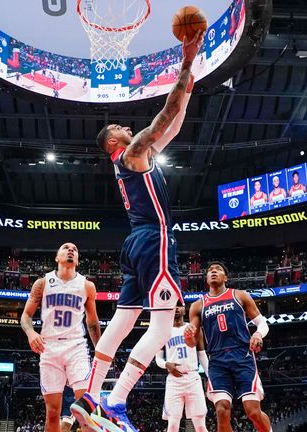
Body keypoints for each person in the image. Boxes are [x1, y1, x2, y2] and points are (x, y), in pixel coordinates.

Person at [69, 30, 205, 432]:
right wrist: (184, 63)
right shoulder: (131, 153)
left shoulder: (133, 159)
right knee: (164, 326)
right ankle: (118, 399)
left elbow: (174, 126)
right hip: (155, 238)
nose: (127, 125)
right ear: (115, 140)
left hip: (135, 243)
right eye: (119, 125)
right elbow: (162, 119)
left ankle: (89, 398)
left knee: (122, 323)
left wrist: (189, 83)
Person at [21, 242, 101, 432]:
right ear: (57, 257)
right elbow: (26, 316)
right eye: (66, 247)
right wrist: (31, 332)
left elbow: (92, 322)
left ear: (78, 260)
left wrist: (100, 349)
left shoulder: (87, 286)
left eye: (75, 249)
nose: (71, 250)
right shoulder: (42, 283)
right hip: (49, 348)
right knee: (53, 413)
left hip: (76, 346)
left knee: (86, 408)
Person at [185, 262, 272, 432]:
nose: (213, 271)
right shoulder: (198, 305)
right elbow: (192, 343)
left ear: (226, 277)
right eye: (210, 270)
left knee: (252, 411)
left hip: (242, 356)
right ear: (206, 278)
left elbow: (262, 322)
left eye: (218, 269)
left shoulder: (239, 295)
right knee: (221, 409)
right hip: (217, 360)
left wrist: (257, 334)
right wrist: (188, 336)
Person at [155, 305, 208, 432]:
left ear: (185, 309)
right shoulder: (163, 331)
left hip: (193, 378)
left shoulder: (193, 328)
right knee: (172, 425)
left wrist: (212, 378)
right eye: (174, 306)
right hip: (174, 380)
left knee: (200, 425)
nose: (177, 308)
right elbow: (158, 359)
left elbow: (202, 354)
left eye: (179, 306)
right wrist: (166, 364)